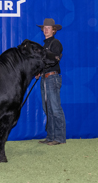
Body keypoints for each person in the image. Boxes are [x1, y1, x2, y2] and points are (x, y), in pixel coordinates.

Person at [36, 18, 66, 146]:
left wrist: (42, 67)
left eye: (48, 28)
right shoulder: (45, 44)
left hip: (52, 78)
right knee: (47, 108)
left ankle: (59, 138)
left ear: (54, 30)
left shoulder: (55, 43)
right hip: (45, 78)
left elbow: (54, 60)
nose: (46, 29)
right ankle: (51, 136)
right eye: (44, 27)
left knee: (55, 108)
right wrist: (39, 71)